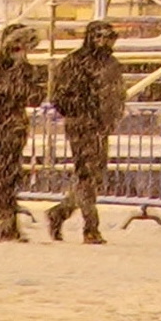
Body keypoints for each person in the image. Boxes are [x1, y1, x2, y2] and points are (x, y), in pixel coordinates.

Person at [43, 18, 126, 243]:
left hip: (101, 125)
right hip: (82, 124)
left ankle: (61, 211)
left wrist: (112, 115)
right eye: (99, 37)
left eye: (108, 37)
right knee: (87, 174)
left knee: (93, 175)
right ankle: (90, 227)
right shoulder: (75, 62)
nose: (103, 42)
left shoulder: (111, 64)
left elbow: (117, 93)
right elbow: (59, 96)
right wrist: (82, 111)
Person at [0, 21, 47, 241]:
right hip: (0, 128)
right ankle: (1, 225)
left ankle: (5, 225)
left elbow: (34, 98)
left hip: (15, 128)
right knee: (7, 177)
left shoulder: (25, 70)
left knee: (10, 177)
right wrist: (20, 82)